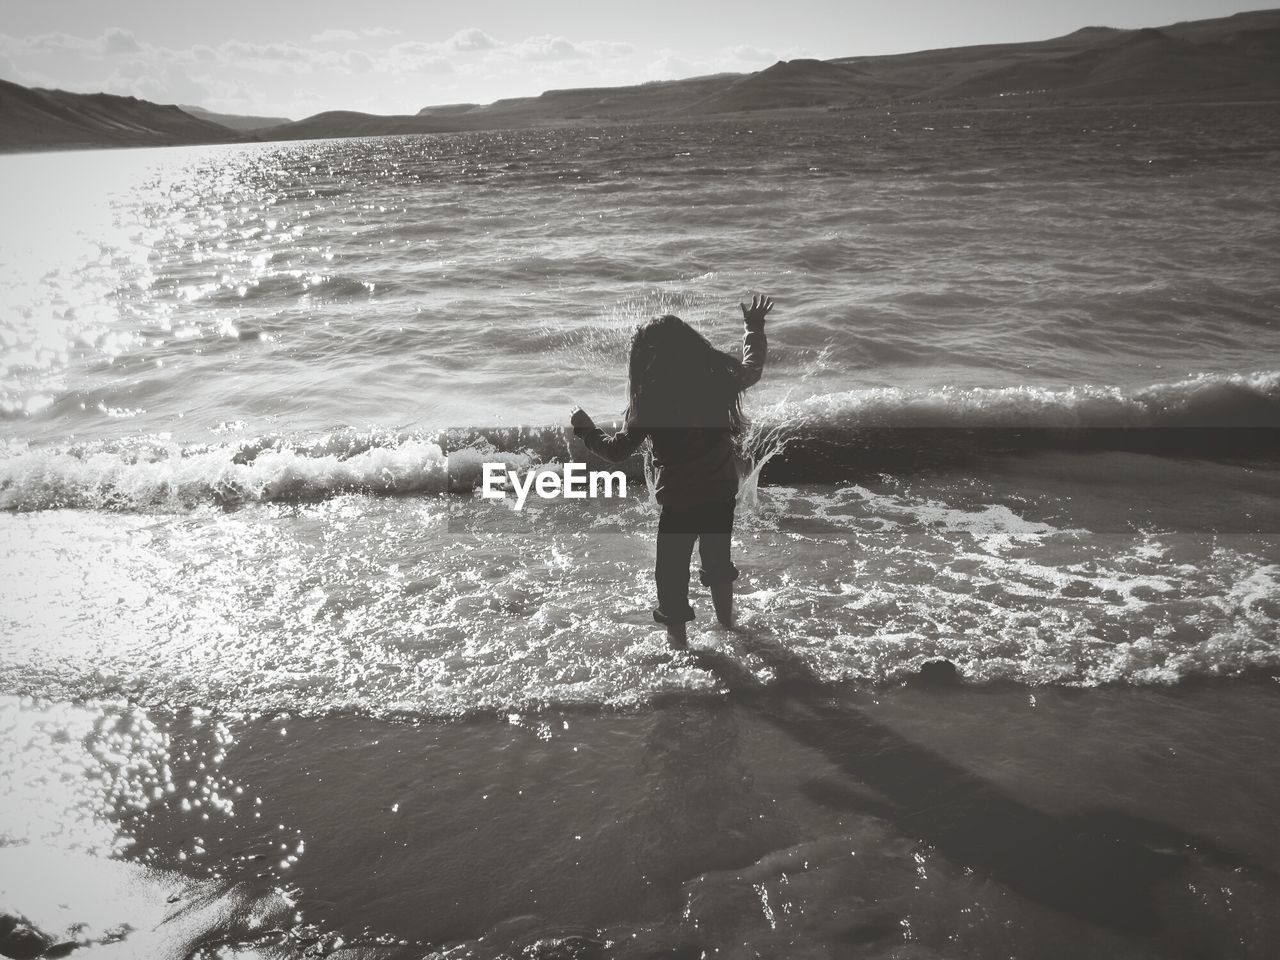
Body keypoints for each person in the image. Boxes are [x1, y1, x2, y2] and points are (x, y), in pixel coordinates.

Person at [570, 294, 772, 648]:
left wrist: (587, 431)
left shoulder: (651, 401)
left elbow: (617, 452)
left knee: (671, 576)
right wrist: (753, 328)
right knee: (717, 562)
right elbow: (752, 369)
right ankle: (729, 627)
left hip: (680, 502)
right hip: (720, 494)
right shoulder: (716, 381)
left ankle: (680, 647)